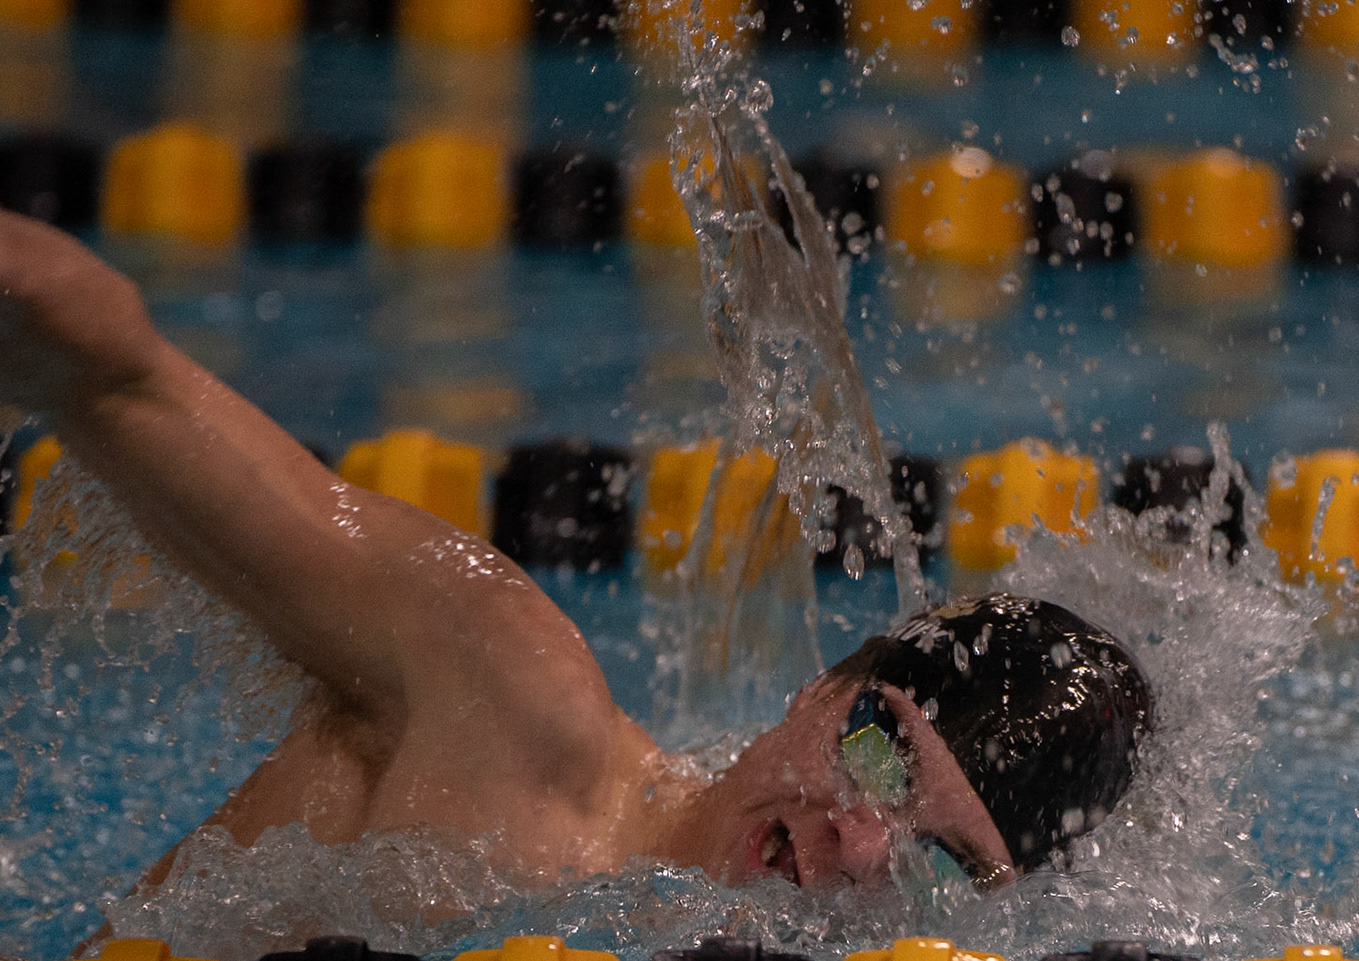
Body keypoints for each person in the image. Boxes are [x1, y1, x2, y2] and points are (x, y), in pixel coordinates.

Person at [0, 209, 1154, 904]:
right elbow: (112, 369)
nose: (860, 842)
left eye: (940, 862)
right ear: (824, 687)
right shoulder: (508, 708)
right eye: (881, 756)